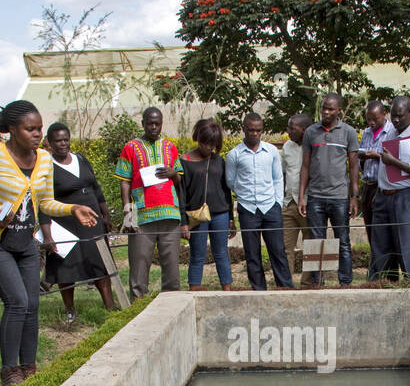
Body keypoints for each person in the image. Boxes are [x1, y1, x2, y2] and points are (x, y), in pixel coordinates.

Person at [0, 100, 97, 386]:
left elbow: (45, 202)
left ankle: (29, 368)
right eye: (30, 129)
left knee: (32, 303)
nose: (37, 134)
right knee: (17, 301)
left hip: (25, 242)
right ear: (11, 129)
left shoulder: (44, 160)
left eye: (39, 129)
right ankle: (9, 372)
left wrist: (73, 209)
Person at [41, 122, 116, 321]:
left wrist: (105, 214)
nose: (63, 144)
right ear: (49, 142)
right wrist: (47, 235)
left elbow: (96, 189)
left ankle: (110, 305)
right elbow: (42, 201)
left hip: (92, 221)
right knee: (66, 268)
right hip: (66, 224)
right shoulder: (47, 166)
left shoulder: (81, 159)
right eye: (58, 141)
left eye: (66, 139)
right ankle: (70, 310)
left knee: (99, 262)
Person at [116, 106, 183, 300]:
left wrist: (173, 174)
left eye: (157, 123)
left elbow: (179, 180)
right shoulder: (131, 147)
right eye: (150, 123)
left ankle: (171, 307)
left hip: (170, 213)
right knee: (139, 265)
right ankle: (138, 309)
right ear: (143, 123)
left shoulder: (170, 147)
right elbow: (124, 181)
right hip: (142, 214)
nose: (154, 127)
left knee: (171, 266)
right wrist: (127, 212)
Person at [366, 95, 410, 281]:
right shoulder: (392, 131)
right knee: (381, 243)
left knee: (406, 244)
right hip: (384, 196)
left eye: (400, 116)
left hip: (406, 196)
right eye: (393, 115)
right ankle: (383, 282)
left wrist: (393, 161)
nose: (395, 120)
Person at [299, 93, 360, 285]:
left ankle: (345, 282)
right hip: (315, 197)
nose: (326, 111)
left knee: (343, 241)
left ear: (339, 110)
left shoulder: (348, 132)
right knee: (317, 244)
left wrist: (354, 196)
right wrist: (302, 196)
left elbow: (353, 167)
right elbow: (306, 166)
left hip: (340, 197)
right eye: (324, 107)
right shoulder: (311, 132)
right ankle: (319, 283)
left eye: (330, 108)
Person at [226, 112, 291, 290]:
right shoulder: (234, 155)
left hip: (271, 207)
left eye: (258, 130)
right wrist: (244, 196)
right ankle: (258, 291)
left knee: (278, 251)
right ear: (244, 129)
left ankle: (285, 288)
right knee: (252, 254)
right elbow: (231, 182)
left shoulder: (270, 151)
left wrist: (277, 203)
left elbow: (278, 179)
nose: (254, 134)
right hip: (248, 209)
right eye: (251, 130)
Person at [179, 119, 234, 291]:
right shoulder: (185, 161)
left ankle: (228, 290)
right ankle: (194, 290)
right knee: (198, 253)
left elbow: (226, 190)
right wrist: (183, 222)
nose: (208, 148)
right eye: (205, 143)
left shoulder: (219, 161)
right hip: (197, 214)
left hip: (220, 213)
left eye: (212, 145)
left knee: (221, 253)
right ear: (198, 138)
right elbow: (181, 193)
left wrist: (231, 218)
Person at [280, 112, 312, 276]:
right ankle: (286, 284)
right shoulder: (287, 147)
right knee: (286, 248)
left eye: (292, 128)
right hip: (288, 204)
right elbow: (284, 174)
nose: (288, 131)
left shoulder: (314, 146)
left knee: (310, 247)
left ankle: (308, 284)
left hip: (308, 204)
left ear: (304, 129)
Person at [357, 100, 388, 225]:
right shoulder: (367, 132)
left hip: (381, 187)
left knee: (380, 227)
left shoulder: (391, 132)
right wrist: (362, 159)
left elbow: (395, 160)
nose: (371, 123)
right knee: (369, 225)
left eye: (375, 119)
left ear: (384, 113)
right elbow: (360, 160)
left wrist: (377, 156)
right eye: (368, 119)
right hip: (367, 185)